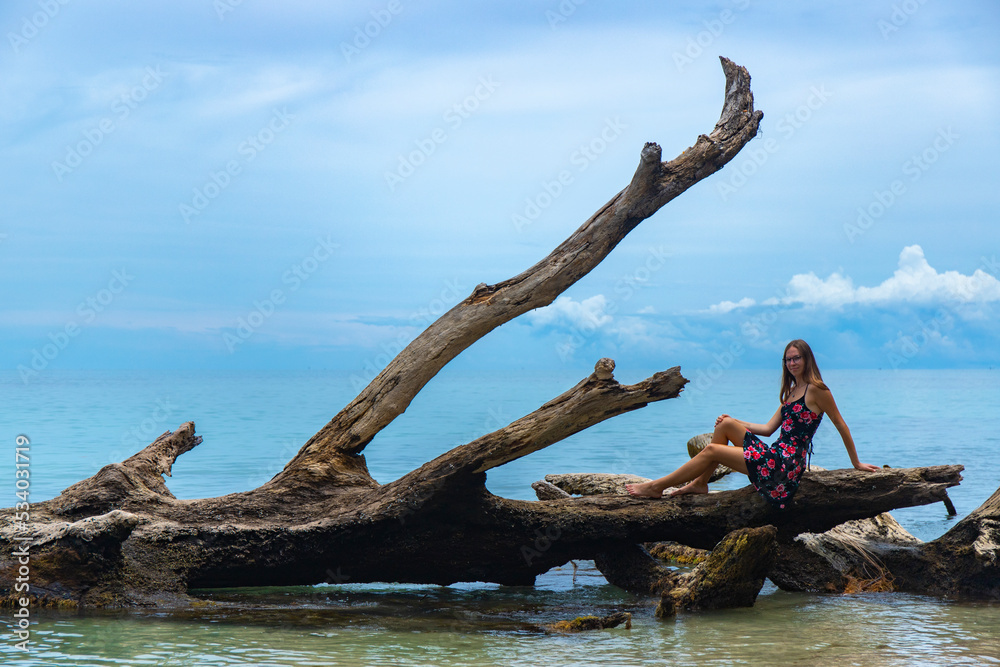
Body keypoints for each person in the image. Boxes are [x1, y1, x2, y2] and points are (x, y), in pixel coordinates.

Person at [625, 339, 879, 509]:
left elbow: (841, 424)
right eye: (788, 359)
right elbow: (768, 429)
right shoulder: (791, 393)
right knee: (724, 425)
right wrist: (732, 420)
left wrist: (855, 463)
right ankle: (701, 483)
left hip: (785, 467)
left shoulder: (817, 390)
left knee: (712, 450)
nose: (792, 363)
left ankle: (656, 487)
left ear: (807, 359)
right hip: (775, 455)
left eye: (796, 358)